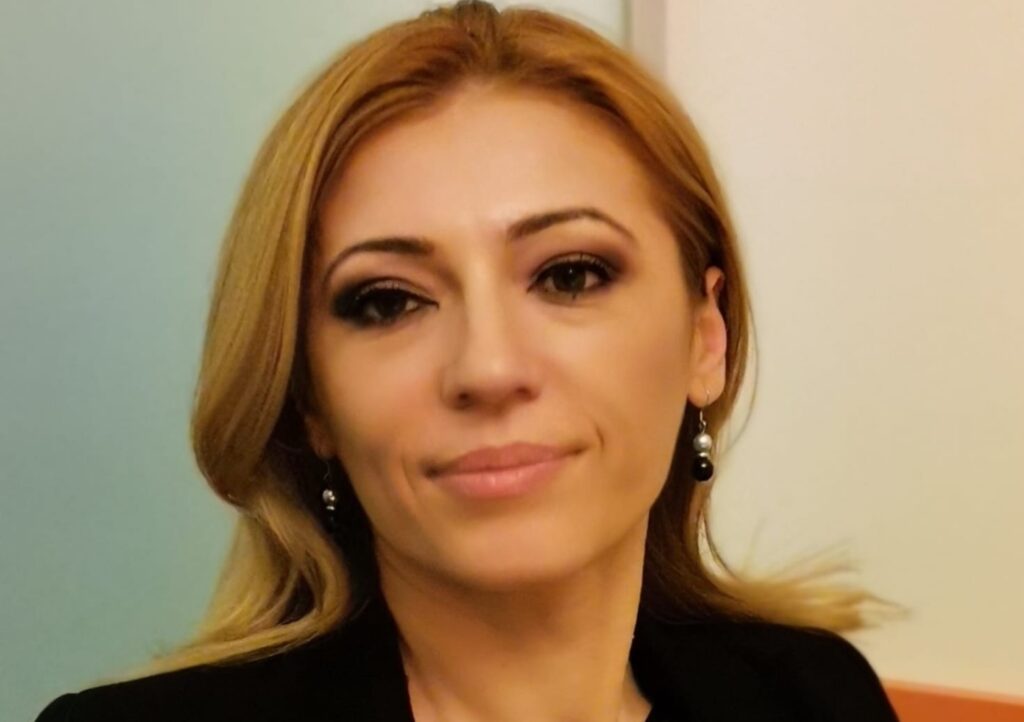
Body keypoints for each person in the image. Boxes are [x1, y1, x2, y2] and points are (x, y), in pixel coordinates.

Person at [35, 2, 906, 720]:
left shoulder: (817, 698)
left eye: (570, 275)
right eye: (388, 301)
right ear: (310, 399)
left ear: (704, 338)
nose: (487, 369)